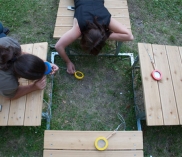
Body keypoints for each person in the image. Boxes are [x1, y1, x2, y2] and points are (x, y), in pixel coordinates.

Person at [55, 0, 134, 74]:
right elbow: (58, 46)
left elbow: (130, 36)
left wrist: (105, 35)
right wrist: (68, 62)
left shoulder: (104, 19)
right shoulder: (79, 28)